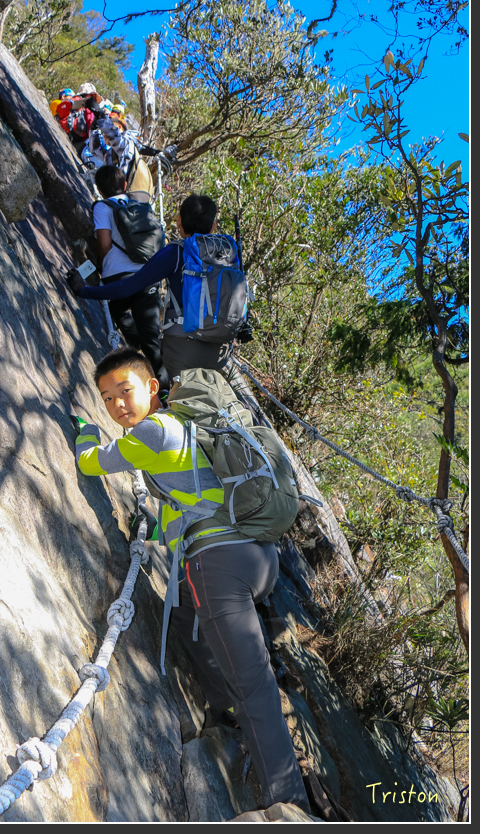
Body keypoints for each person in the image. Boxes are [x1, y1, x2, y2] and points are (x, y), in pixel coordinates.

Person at [72, 347, 310, 815]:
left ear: (151, 389)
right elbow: (195, 499)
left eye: (125, 391)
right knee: (182, 616)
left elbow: (92, 463)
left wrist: (83, 430)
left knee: (254, 688)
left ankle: (288, 804)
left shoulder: (151, 431)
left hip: (218, 566)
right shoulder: (191, 426)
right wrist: (157, 525)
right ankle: (222, 702)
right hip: (259, 558)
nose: (118, 405)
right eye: (106, 399)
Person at [67, 194, 237, 382]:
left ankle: (163, 389)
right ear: (213, 227)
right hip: (220, 352)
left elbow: (127, 288)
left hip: (183, 350)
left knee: (165, 380)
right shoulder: (229, 255)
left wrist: (84, 291)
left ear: (179, 220)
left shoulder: (177, 252)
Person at [86, 165, 168, 392]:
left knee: (117, 312)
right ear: (125, 186)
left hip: (118, 277)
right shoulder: (143, 206)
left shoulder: (102, 206)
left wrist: (101, 265)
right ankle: (163, 391)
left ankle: (137, 347)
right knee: (153, 339)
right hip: (147, 275)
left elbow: (104, 243)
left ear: (100, 190)